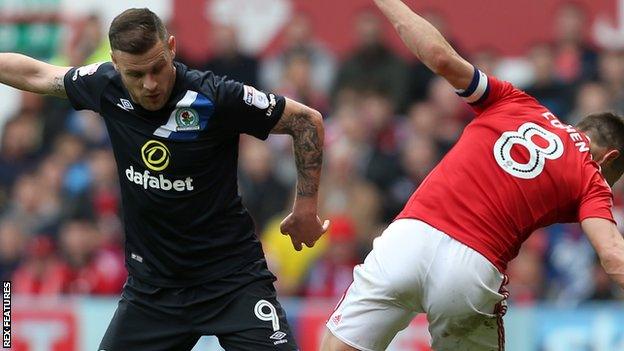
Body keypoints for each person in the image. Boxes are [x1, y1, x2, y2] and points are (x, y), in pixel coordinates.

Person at [0, 8, 329, 351]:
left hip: (233, 282)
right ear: (115, 62)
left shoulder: (215, 96)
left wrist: (305, 205)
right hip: (154, 293)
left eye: (157, 67)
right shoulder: (105, 84)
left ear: (171, 47)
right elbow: (38, 74)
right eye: (135, 74)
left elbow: (306, 120)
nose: (150, 84)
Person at [321, 1, 624, 350]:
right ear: (609, 157)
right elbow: (613, 255)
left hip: (409, 237)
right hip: (472, 267)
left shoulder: (517, 101)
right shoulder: (590, 176)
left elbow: (440, 56)